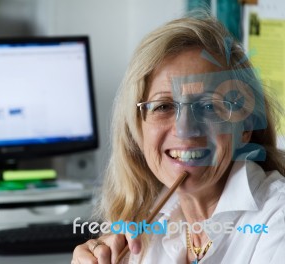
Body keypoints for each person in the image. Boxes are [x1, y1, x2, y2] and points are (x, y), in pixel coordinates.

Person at [71, 13, 285, 264]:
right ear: (137, 129)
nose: (185, 129)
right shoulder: (144, 227)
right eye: (163, 107)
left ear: (245, 127)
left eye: (208, 106)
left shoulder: (277, 218)